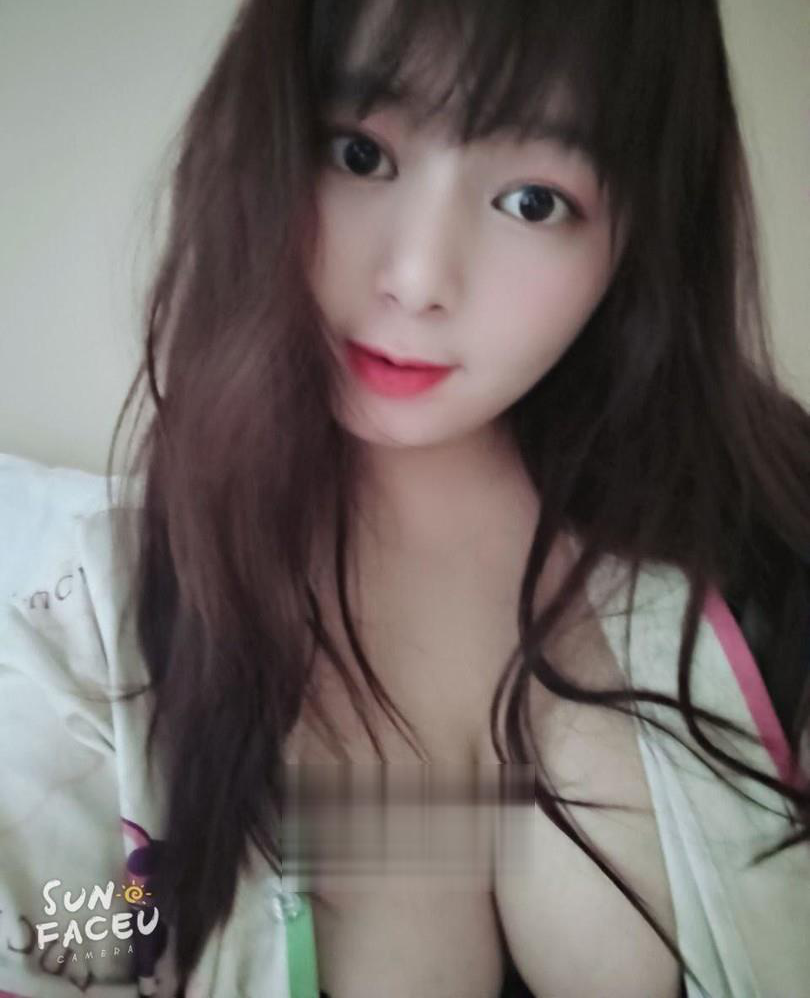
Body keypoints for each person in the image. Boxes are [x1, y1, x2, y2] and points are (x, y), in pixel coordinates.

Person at [2, 0, 809, 996]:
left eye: (533, 201)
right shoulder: (86, 635)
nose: (419, 277)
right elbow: (52, 926)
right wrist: (131, 909)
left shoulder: (767, 546)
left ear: (640, 232)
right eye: (360, 153)